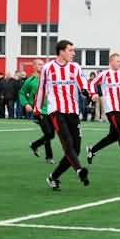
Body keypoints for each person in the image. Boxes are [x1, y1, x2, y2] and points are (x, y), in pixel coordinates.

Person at [34, 39, 90, 190]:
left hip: (72, 111)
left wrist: (85, 91)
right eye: (70, 50)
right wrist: (37, 109)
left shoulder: (75, 67)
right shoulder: (48, 68)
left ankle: (53, 177)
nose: (73, 53)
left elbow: (82, 82)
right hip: (56, 111)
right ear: (61, 51)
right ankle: (79, 170)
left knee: (76, 149)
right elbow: (42, 89)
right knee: (67, 143)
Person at [21, 59, 55, 164]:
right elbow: (21, 93)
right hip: (38, 111)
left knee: (51, 134)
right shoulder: (30, 81)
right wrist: (26, 104)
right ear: (34, 66)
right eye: (40, 64)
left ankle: (35, 145)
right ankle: (49, 157)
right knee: (48, 133)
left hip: (50, 110)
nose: (42, 66)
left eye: (43, 64)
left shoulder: (48, 79)